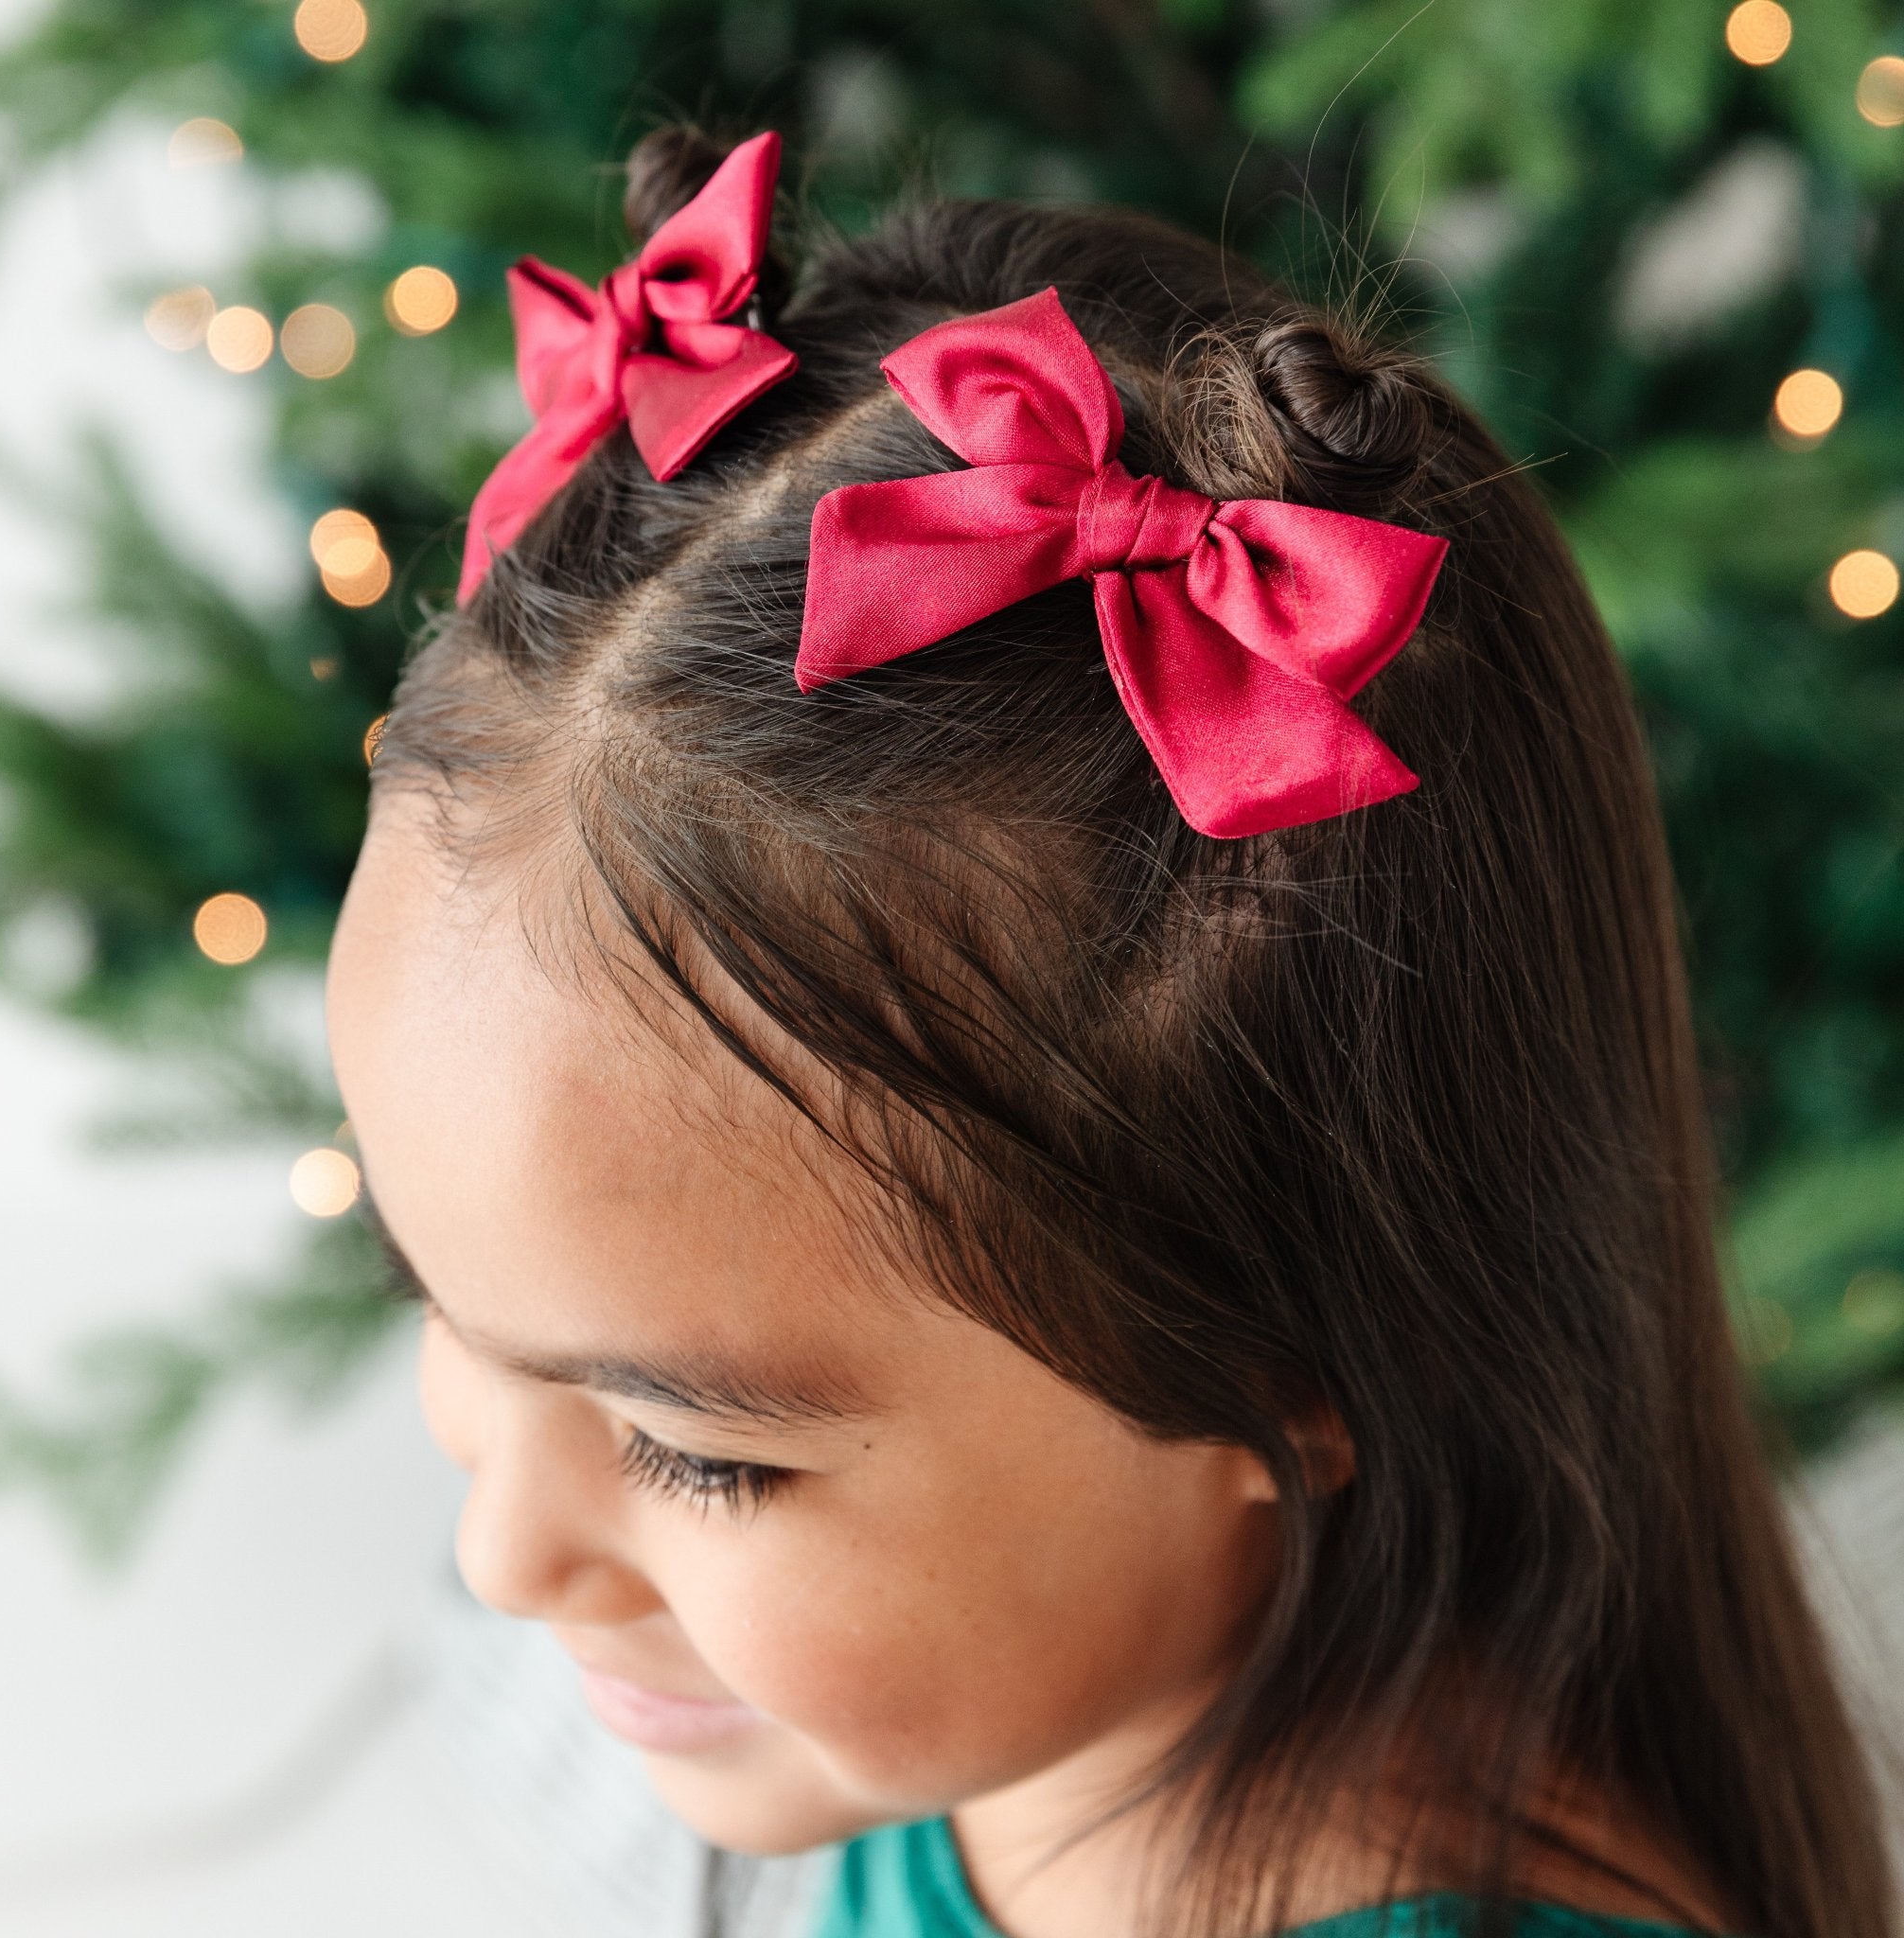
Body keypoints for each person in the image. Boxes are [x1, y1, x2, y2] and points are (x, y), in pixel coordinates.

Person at [324, 124, 1895, 1938]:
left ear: (1299, 1339)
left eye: (705, 1453)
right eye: (435, 1292)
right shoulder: (1023, 1739)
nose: (500, 1557)